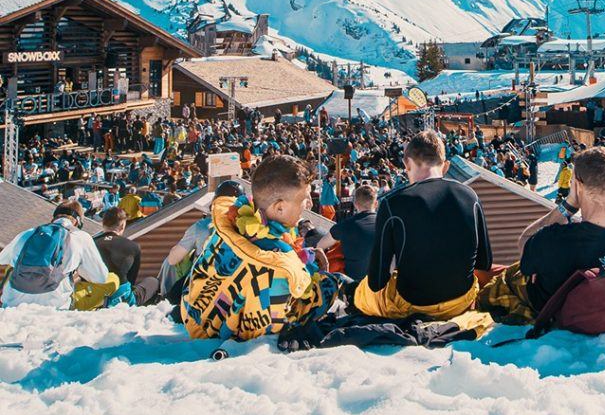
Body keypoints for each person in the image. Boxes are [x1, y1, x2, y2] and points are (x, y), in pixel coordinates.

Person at [479, 146, 605, 322]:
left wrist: (569, 204)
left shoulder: (553, 240)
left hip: (555, 320)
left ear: (577, 186)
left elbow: (524, 242)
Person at [181, 156, 343, 340]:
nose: (310, 204)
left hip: (193, 318)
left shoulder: (229, 222)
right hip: (223, 342)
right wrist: (324, 278)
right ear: (279, 208)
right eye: (305, 199)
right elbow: (269, 335)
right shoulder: (280, 269)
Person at [354, 130, 492, 320]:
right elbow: (485, 262)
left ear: (406, 164)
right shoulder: (470, 196)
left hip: (413, 305)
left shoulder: (392, 204)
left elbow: (376, 282)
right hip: (461, 301)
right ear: (445, 165)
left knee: (363, 292)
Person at [0, 200, 109, 309]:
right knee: (113, 280)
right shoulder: (81, 237)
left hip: (12, 305)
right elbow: (100, 277)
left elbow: (2, 259)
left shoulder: (29, 233)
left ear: (54, 217)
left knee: (11, 269)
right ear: (77, 222)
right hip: (52, 307)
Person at [327, 182, 377, 283]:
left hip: (353, 284)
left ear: (355, 204)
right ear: (376, 203)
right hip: (380, 284)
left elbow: (321, 245)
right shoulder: (387, 224)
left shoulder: (345, 225)